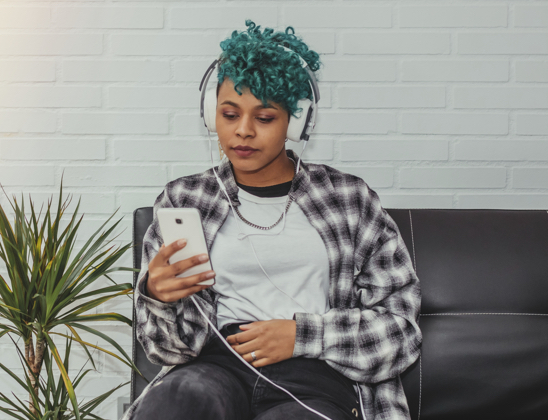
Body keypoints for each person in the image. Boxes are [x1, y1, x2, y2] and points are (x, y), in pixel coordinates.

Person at [123, 20, 422, 420]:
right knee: (176, 403)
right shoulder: (185, 200)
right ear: (212, 115)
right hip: (214, 365)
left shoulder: (349, 200)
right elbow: (167, 350)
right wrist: (158, 298)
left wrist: (302, 336)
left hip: (316, 373)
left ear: (295, 122)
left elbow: (399, 334)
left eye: (264, 118)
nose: (242, 132)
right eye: (229, 114)